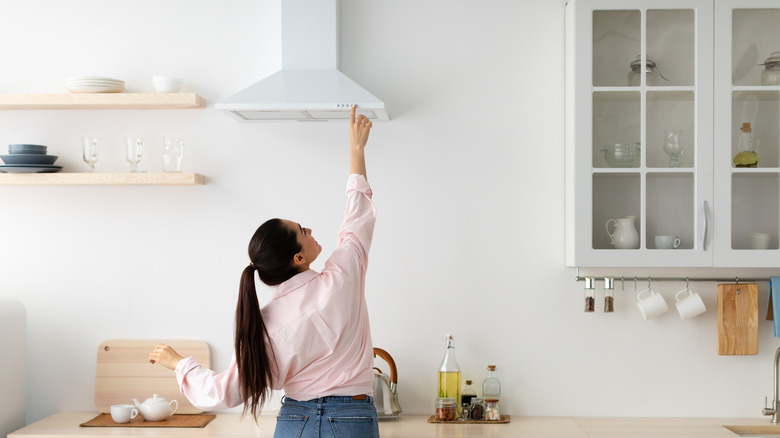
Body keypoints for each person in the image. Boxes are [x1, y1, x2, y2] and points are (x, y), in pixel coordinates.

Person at [148, 105, 379, 437]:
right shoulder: (341, 278)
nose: (311, 230)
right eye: (303, 230)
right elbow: (356, 223)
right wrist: (357, 153)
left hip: (293, 422)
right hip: (350, 420)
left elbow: (222, 391)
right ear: (298, 258)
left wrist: (179, 363)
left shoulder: (264, 323)